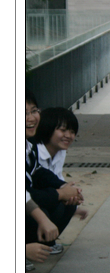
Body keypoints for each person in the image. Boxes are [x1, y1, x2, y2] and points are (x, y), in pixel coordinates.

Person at [26, 90, 85, 257]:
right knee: (42, 210)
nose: (31, 118)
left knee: (65, 203)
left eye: (33, 111)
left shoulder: (29, 147)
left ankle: (42, 245)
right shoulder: (34, 147)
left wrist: (66, 189)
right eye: (63, 130)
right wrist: (60, 194)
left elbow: (40, 173)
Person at [33, 107, 79, 181]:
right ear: (47, 128)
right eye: (63, 130)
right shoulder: (32, 153)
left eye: (72, 132)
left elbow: (58, 178)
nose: (68, 136)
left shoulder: (60, 150)